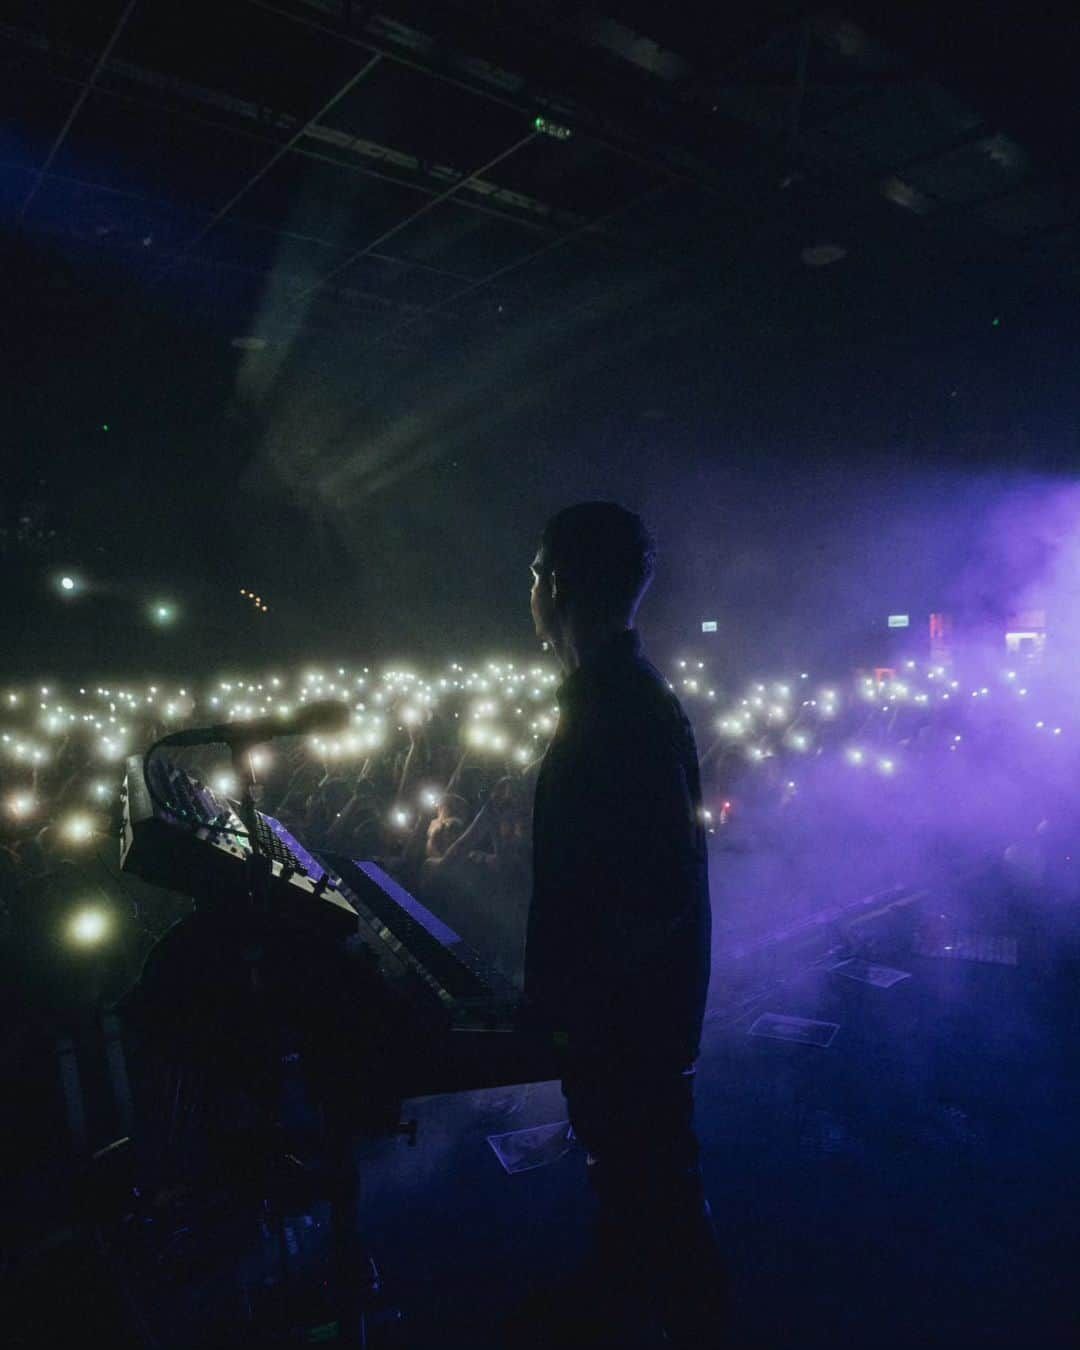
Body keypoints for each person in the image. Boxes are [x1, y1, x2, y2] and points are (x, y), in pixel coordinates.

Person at [512, 500, 729, 1347]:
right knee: (633, 1176)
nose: (528, 592)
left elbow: (655, 887)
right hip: (628, 1008)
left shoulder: (621, 710)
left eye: (534, 575)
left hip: (631, 1016)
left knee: (659, 1185)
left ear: (558, 586)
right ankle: (617, 1288)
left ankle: (691, 1322)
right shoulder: (616, 696)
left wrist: (588, 1009)